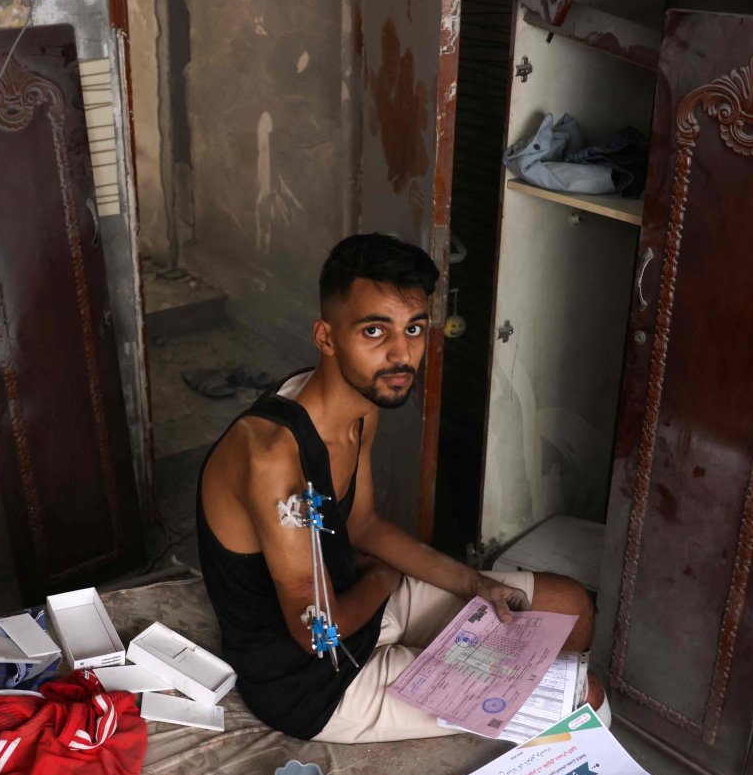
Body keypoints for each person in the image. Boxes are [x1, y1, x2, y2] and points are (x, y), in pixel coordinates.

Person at [195, 232, 605, 743]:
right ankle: (524, 735)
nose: (401, 353)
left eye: (413, 328)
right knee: (586, 697)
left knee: (570, 606)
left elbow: (362, 524)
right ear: (326, 337)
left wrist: (471, 583)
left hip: (362, 607)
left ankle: (518, 722)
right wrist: (383, 581)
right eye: (374, 331)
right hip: (318, 680)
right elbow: (315, 633)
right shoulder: (273, 457)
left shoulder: (358, 403)